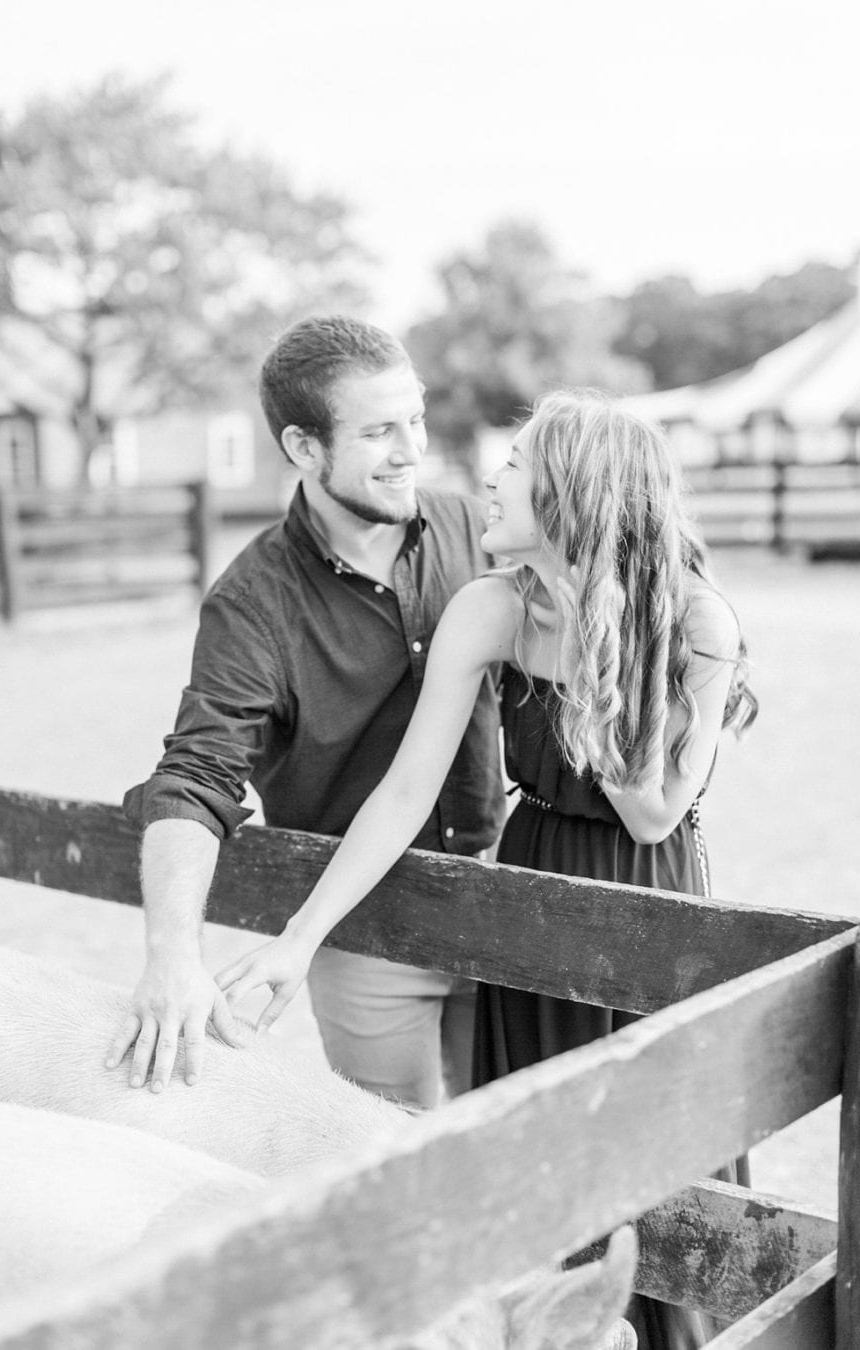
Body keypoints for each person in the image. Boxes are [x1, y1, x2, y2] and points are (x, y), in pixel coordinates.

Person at [210, 390, 754, 1349]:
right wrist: (299, 942)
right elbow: (405, 790)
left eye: (516, 468)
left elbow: (653, 808)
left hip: (651, 898)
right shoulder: (490, 608)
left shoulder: (697, 620)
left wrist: (605, 647)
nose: (488, 481)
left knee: (654, 1162)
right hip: (533, 897)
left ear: (573, 496)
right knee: (540, 1171)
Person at [108, 315, 504, 1109]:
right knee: (392, 1161)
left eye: (416, 419)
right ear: (304, 448)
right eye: (379, 432)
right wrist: (173, 952)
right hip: (364, 935)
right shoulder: (253, 602)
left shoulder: (479, 531)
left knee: (516, 1142)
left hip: (511, 900)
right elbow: (196, 774)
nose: (412, 450)